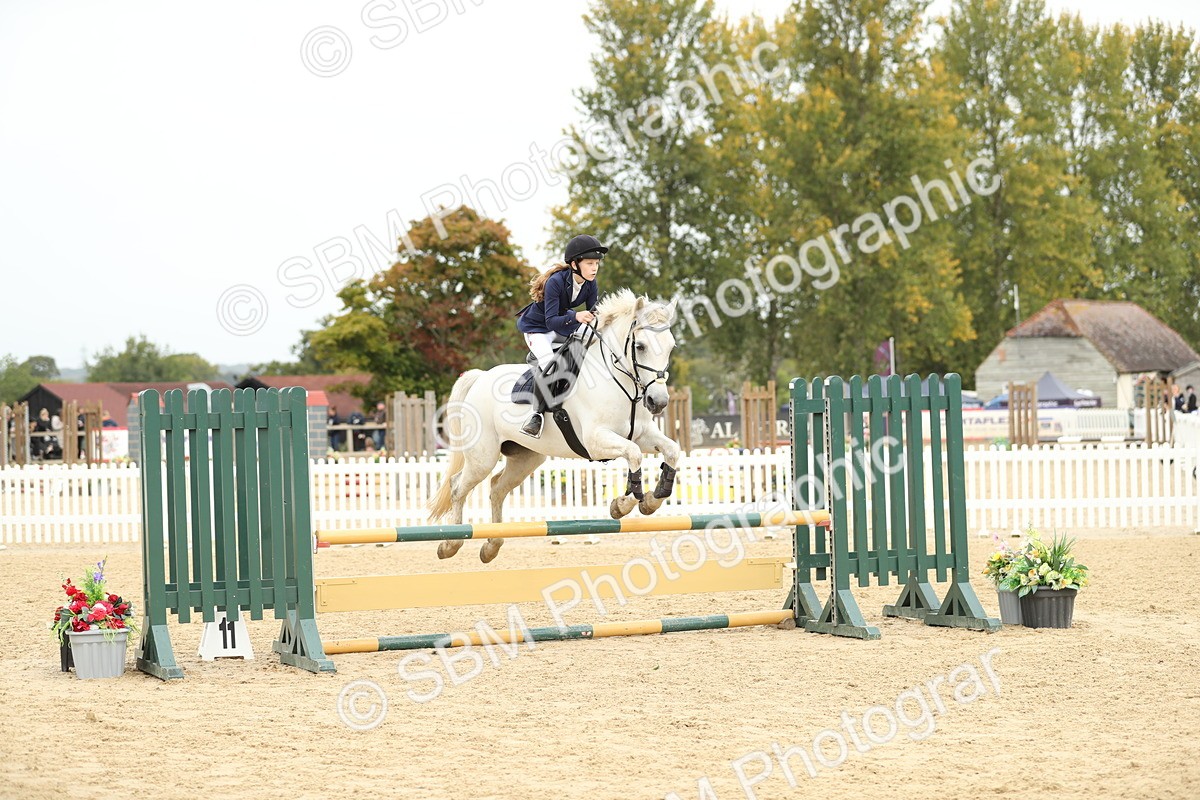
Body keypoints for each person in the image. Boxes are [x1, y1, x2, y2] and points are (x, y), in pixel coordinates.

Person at [514, 234, 606, 437]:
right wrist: (576, 315)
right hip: (538, 328)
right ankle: (535, 416)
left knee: (594, 339)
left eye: (596, 263)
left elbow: (593, 314)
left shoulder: (591, 283)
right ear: (575, 264)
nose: (594, 268)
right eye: (590, 263)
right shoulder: (555, 282)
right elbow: (551, 321)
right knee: (550, 363)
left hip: (562, 326)